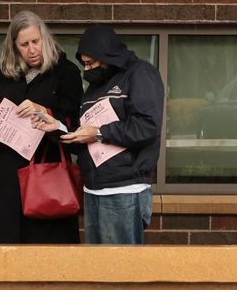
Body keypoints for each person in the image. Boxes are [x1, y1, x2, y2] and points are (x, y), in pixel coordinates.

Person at [0, 11, 83, 244]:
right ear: (14, 46)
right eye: (24, 45)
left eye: (35, 41)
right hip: (6, 175)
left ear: (45, 38)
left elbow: (74, 125)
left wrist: (44, 111)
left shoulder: (66, 72)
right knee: (5, 244)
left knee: (45, 248)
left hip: (47, 172)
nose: (32, 49)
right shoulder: (3, 72)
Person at [52, 25, 163, 245]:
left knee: (120, 263)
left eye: (91, 63)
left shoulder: (140, 73)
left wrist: (100, 132)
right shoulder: (94, 87)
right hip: (92, 188)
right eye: (84, 64)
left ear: (107, 56)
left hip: (125, 188)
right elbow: (85, 137)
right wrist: (56, 128)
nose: (87, 69)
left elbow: (147, 126)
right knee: (97, 264)